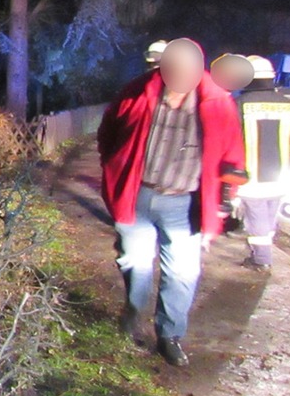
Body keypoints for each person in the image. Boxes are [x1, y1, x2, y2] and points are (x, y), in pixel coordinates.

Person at [98, 38, 245, 367]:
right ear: (163, 69)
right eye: (173, 70)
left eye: (188, 72)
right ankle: (132, 315)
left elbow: (231, 157)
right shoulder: (137, 92)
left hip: (184, 203)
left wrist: (220, 207)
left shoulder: (218, 102)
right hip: (138, 197)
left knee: (181, 272)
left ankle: (169, 335)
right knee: (134, 262)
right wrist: (115, 171)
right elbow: (108, 131)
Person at [232, 55, 290, 270]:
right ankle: (262, 253)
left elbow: (231, 139)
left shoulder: (240, 104)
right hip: (282, 174)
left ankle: (261, 259)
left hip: (251, 175)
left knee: (256, 217)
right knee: (269, 215)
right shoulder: (289, 104)